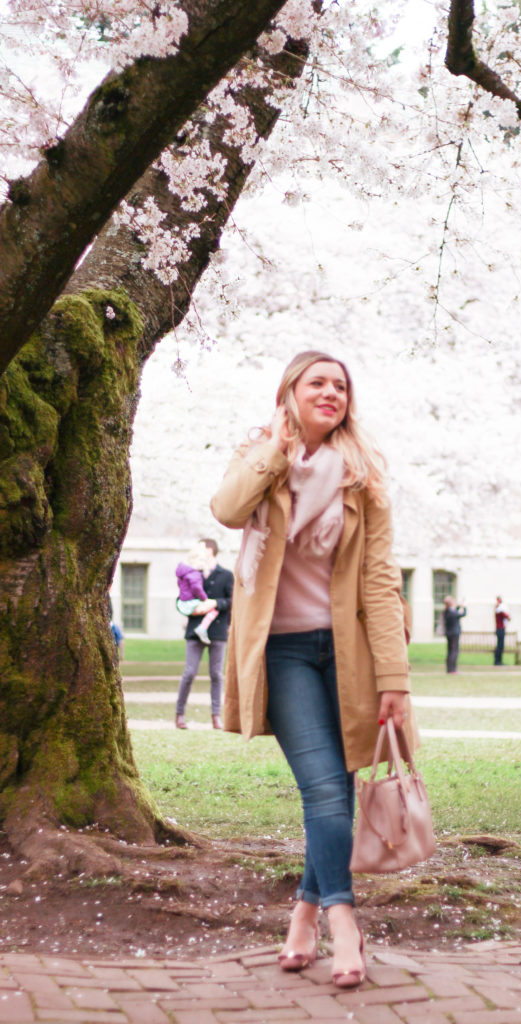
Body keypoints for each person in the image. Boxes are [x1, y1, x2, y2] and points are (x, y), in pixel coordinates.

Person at [210, 350, 414, 990]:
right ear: (291, 392)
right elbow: (225, 508)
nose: (331, 393)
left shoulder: (363, 479)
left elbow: (380, 584)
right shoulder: (261, 461)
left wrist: (394, 679)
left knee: (334, 790)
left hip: (348, 656)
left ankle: (303, 914)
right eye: (317, 383)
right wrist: (276, 447)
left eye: (341, 386)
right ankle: (343, 920)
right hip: (285, 651)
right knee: (325, 789)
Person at [175, 538, 234, 730]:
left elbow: (231, 601)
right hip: (195, 629)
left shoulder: (226, 575)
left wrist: (215, 603)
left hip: (217, 631)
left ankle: (216, 716)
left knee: (216, 674)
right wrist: (190, 610)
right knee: (189, 672)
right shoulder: (191, 571)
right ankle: (180, 714)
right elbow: (181, 597)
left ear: (210, 550)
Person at [176, 543, 220, 644]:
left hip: (183, 601)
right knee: (214, 609)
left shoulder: (183, 572)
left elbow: (180, 584)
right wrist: (204, 598)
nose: (202, 563)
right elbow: (197, 589)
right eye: (201, 560)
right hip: (189, 603)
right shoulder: (194, 573)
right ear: (193, 560)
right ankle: (202, 628)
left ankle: (187, 621)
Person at [444, 596, 466, 674]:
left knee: (450, 651)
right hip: (454, 633)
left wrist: (458, 606)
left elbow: (455, 611)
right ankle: (452, 669)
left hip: (449, 633)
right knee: (454, 651)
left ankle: (449, 668)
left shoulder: (447, 611)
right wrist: (463, 607)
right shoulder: (452, 612)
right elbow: (463, 614)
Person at [494, 596, 510, 666]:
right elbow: (508, 617)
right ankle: (498, 661)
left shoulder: (498, 610)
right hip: (500, 629)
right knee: (500, 646)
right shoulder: (499, 611)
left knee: (500, 646)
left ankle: (498, 661)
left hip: (500, 629)